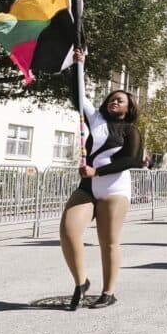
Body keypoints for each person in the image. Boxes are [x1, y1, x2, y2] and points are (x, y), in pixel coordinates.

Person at [60, 49, 142, 310]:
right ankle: (81, 281)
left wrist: (98, 172)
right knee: (68, 231)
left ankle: (108, 291)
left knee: (108, 242)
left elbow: (133, 161)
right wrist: (77, 64)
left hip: (114, 189)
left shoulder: (130, 131)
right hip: (88, 188)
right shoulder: (93, 117)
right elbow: (77, 94)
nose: (114, 102)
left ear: (128, 108)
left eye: (120, 100)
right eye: (111, 99)